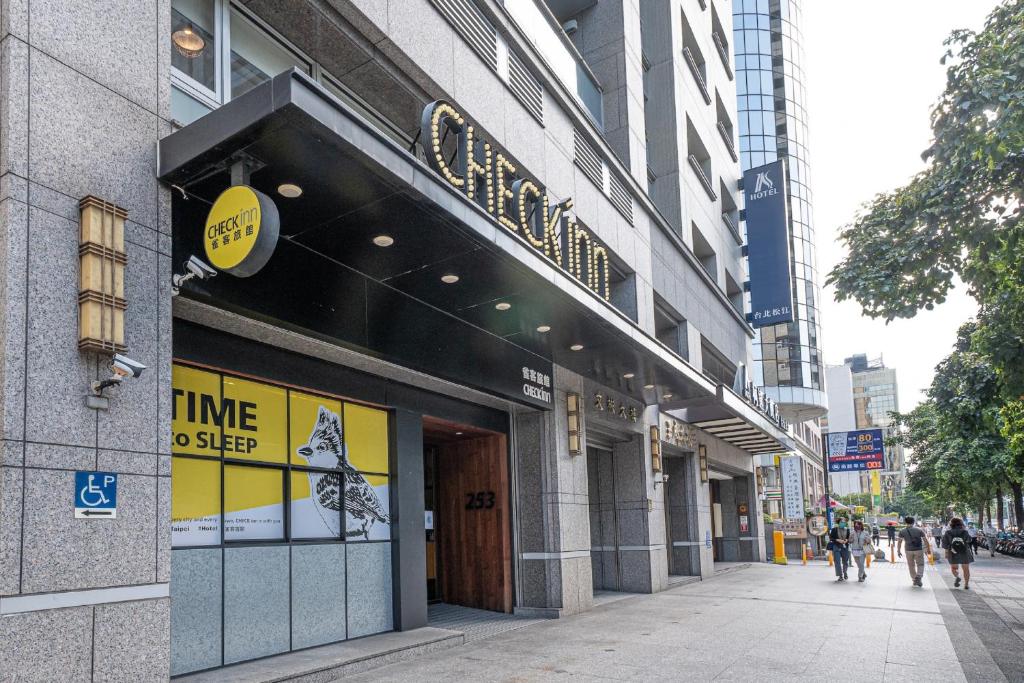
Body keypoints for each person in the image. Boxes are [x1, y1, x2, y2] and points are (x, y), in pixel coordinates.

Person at [897, 516, 930, 587]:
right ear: (913, 522)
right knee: (920, 564)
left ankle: (914, 579)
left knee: (911, 565)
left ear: (905, 522)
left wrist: (898, 551)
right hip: (918, 550)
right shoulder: (919, 530)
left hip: (908, 550)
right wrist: (928, 549)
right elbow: (925, 540)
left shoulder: (902, 531)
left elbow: (899, 542)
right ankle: (919, 576)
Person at [943, 517, 975, 589]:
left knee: (954, 568)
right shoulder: (964, 532)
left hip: (952, 552)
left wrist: (946, 553)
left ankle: (957, 576)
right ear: (961, 524)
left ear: (951, 524)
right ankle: (966, 584)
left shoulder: (948, 532)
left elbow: (945, 543)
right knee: (966, 569)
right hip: (964, 552)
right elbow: (969, 540)